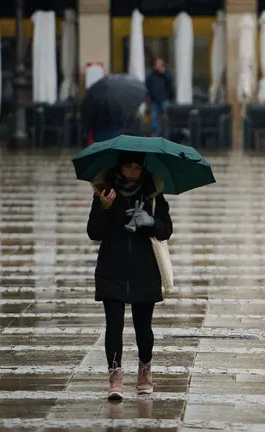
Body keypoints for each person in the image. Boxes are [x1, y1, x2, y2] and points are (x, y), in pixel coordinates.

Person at [87, 151, 173, 399]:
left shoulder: (153, 194)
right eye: (128, 167)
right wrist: (105, 208)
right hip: (112, 268)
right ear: (119, 168)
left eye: (137, 167)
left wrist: (149, 222)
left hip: (144, 269)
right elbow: (94, 231)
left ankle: (145, 369)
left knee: (143, 328)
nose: (133, 172)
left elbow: (166, 229)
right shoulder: (105, 193)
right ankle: (115, 375)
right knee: (113, 326)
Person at [146, 58, 175, 137]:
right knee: (154, 118)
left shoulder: (166, 73)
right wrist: (148, 96)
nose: (157, 66)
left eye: (159, 64)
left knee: (167, 118)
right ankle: (156, 134)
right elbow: (148, 85)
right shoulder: (152, 74)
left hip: (165, 99)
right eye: (156, 64)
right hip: (154, 99)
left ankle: (167, 134)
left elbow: (170, 84)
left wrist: (163, 73)